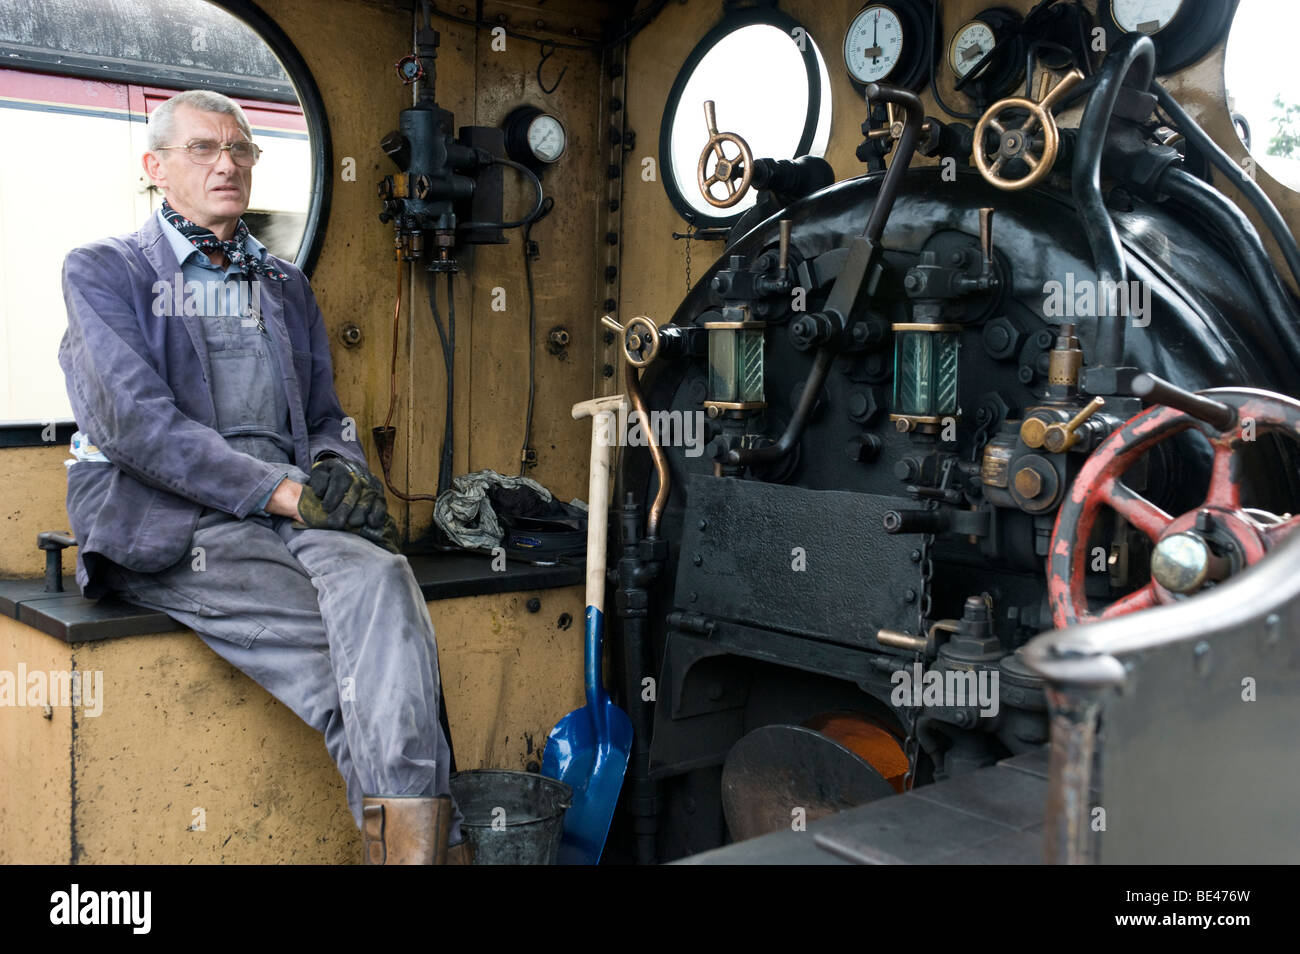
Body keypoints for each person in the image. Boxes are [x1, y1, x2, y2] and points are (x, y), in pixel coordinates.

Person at [58, 89, 467, 864]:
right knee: (373, 667)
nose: (229, 164)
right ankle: (441, 854)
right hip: (176, 521)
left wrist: (336, 472)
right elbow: (137, 426)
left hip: (289, 506)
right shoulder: (103, 271)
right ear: (156, 168)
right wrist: (287, 493)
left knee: (385, 582)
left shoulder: (282, 284)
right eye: (205, 149)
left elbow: (323, 416)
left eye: (242, 149)